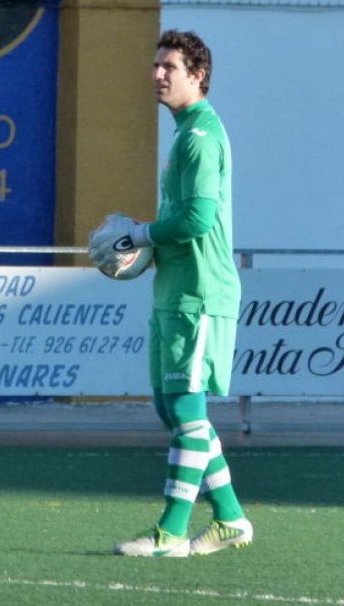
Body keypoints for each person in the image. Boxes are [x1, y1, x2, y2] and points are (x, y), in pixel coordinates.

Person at [106, 30, 253, 556]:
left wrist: (145, 234)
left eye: (170, 66)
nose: (158, 74)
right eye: (156, 65)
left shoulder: (200, 137)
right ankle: (231, 519)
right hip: (176, 290)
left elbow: (199, 218)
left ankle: (170, 532)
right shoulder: (185, 133)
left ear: (198, 75)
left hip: (200, 295)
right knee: (172, 411)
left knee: (188, 413)